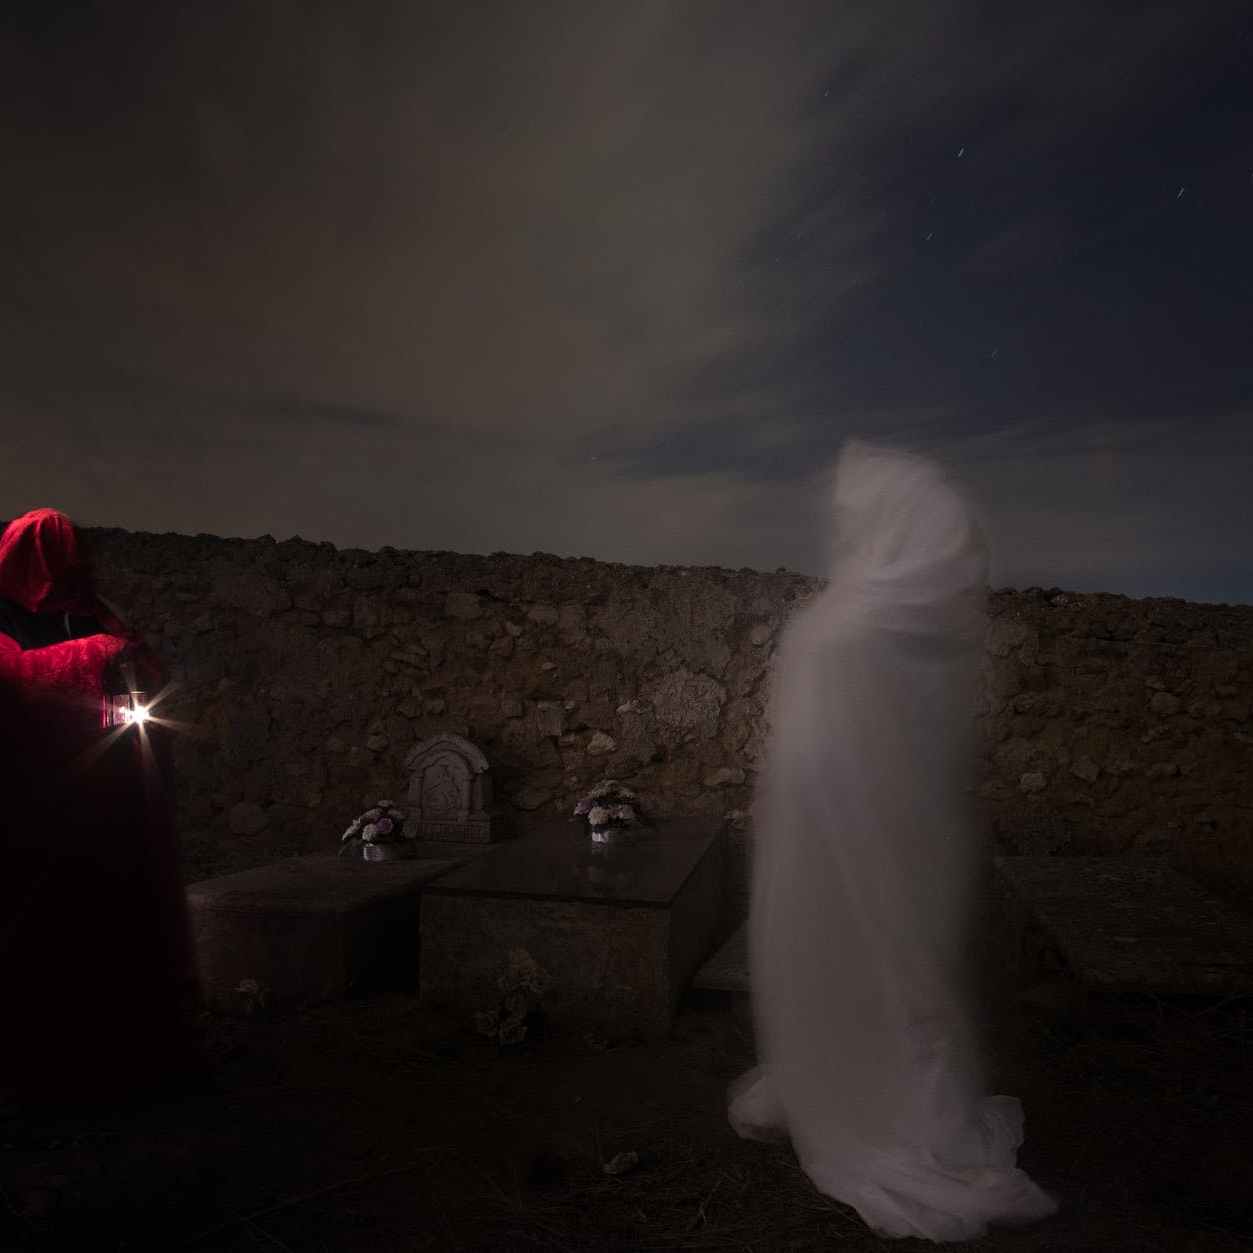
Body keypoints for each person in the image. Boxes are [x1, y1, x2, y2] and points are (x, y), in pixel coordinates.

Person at [728, 442, 1057, 1241]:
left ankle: (871, 1090)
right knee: (891, 980)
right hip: (866, 849)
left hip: (868, 845)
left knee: (881, 979)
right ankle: (884, 1106)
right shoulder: (861, 627)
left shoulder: (844, 622)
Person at [0, 508, 202, 1112]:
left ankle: (119, 1058)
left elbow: (145, 673)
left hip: (101, 799)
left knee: (102, 919)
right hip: (28, 799)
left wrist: (120, 660)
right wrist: (94, 655)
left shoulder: (93, 611)